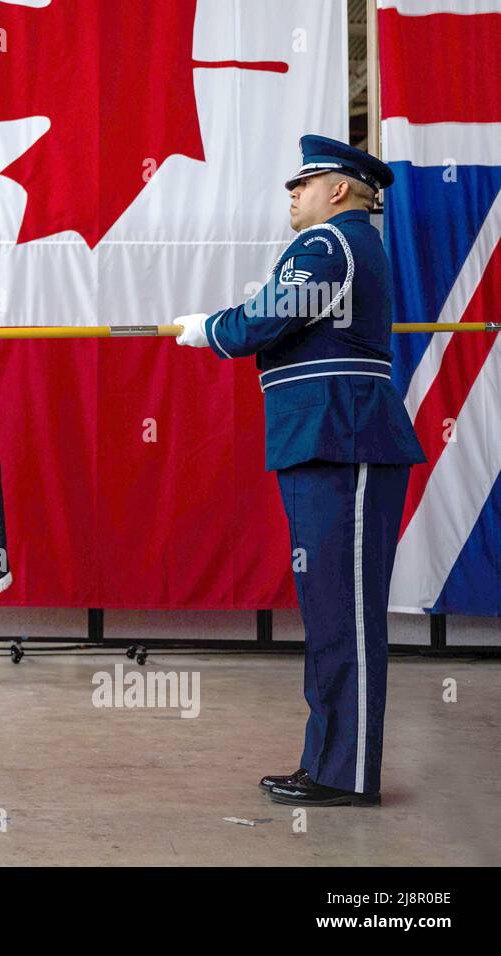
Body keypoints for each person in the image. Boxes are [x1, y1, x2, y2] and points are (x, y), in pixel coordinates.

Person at [173, 135, 425, 807]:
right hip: (325, 440)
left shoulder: (328, 245)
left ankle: (345, 774)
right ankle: (331, 763)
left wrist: (210, 329)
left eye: (303, 182)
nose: (292, 193)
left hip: (343, 440)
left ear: (337, 189)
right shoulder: (343, 244)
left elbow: (268, 318)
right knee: (331, 613)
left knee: (346, 616)